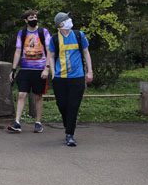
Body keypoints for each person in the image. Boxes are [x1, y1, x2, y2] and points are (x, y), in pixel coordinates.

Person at [46, 12, 93, 147]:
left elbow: (86, 52)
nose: (70, 20)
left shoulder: (79, 35)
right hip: (60, 78)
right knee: (62, 105)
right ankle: (69, 125)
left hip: (77, 77)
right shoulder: (54, 39)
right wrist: (53, 73)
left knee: (73, 106)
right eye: (67, 19)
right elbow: (51, 56)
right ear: (60, 24)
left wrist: (90, 71)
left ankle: (70, 135)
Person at [8, 9, 50, 133]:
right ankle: (17, 122)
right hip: (25, 68)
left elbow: (49, 50)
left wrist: (47, 68)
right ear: (26, 20)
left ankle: (38, 122)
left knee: (38, 96)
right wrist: (13, 69)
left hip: (40, 69)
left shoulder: (44, 32)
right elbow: (17, 51)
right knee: (21, 94)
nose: (34, 19)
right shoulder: (22, 33)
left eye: (35, 17)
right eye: (31, 18)